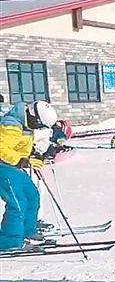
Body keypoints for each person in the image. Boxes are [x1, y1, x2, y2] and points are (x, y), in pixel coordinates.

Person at [0, 101, 58, 250]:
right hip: (3, 167)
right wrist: (19, 160)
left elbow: (24, 151)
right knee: (18, 203)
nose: (38, 129)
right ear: (34, 118)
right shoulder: (10, 125)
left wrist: (34, 161)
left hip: (14, 166)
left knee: (32, 196)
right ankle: (9, 241)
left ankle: (27, 231)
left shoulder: (25, 125)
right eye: (39, 125)